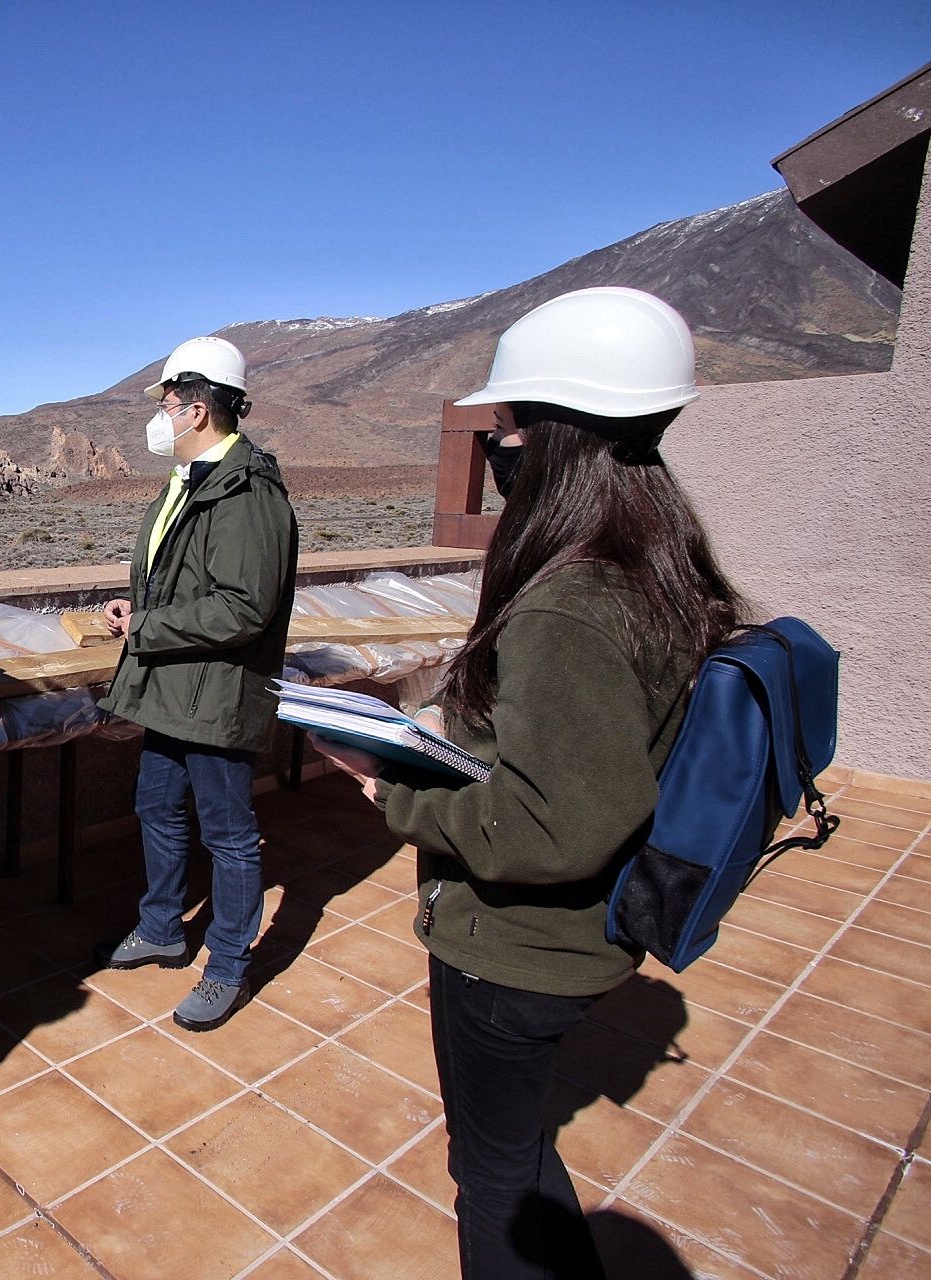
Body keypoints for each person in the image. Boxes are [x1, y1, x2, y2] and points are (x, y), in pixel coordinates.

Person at [311, 287, 743, 1280]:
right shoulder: (658, 556)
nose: (496, 449)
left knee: (494, 1181)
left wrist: (398, 793)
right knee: (516, 1150)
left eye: (506, 429)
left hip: (515, 951)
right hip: (576, 941)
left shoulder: (575, 599)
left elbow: (556, 824)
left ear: (557, 437)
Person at [94, 336, 297, 1031]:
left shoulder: (246, 492)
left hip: (215, 691)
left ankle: (229, 967)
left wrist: (147, 627)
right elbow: (176, 578)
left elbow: (244, 607)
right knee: (156, 804)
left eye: (170, 402)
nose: (162, 415)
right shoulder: (189, 482)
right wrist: (137, 609)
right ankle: (161, 928)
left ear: (202, 408)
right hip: (173, 686)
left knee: (230, 835)